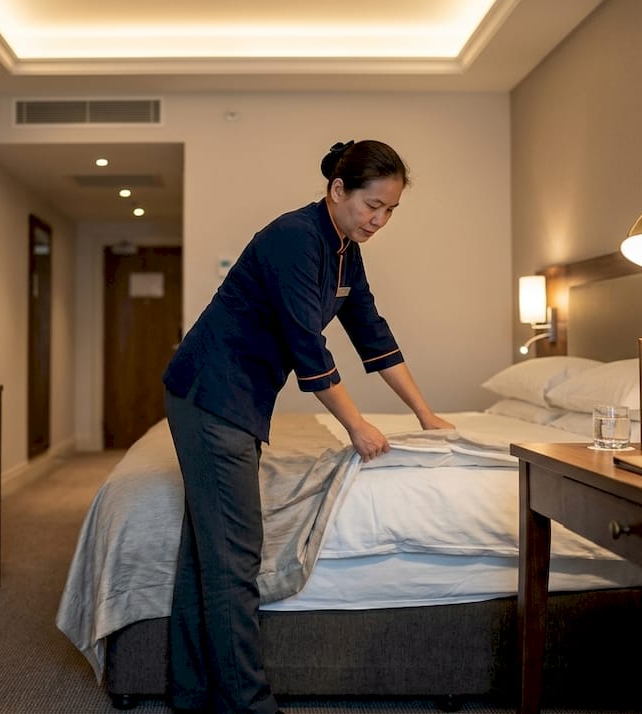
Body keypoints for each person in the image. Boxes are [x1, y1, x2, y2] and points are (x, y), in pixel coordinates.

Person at [161, 139, 454, 714]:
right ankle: (246, 703)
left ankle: (193, 693)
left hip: (236, 397)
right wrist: (356, 425)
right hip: (212, 392)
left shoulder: (346, 249)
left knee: (210, 552)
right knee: (235, 557)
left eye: (391, 210)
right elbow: (306, 345)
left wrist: (424, 412)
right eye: (373, 205)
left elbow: (372, 331)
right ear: (338, 190)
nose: (380, 219)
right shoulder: (296, 237)